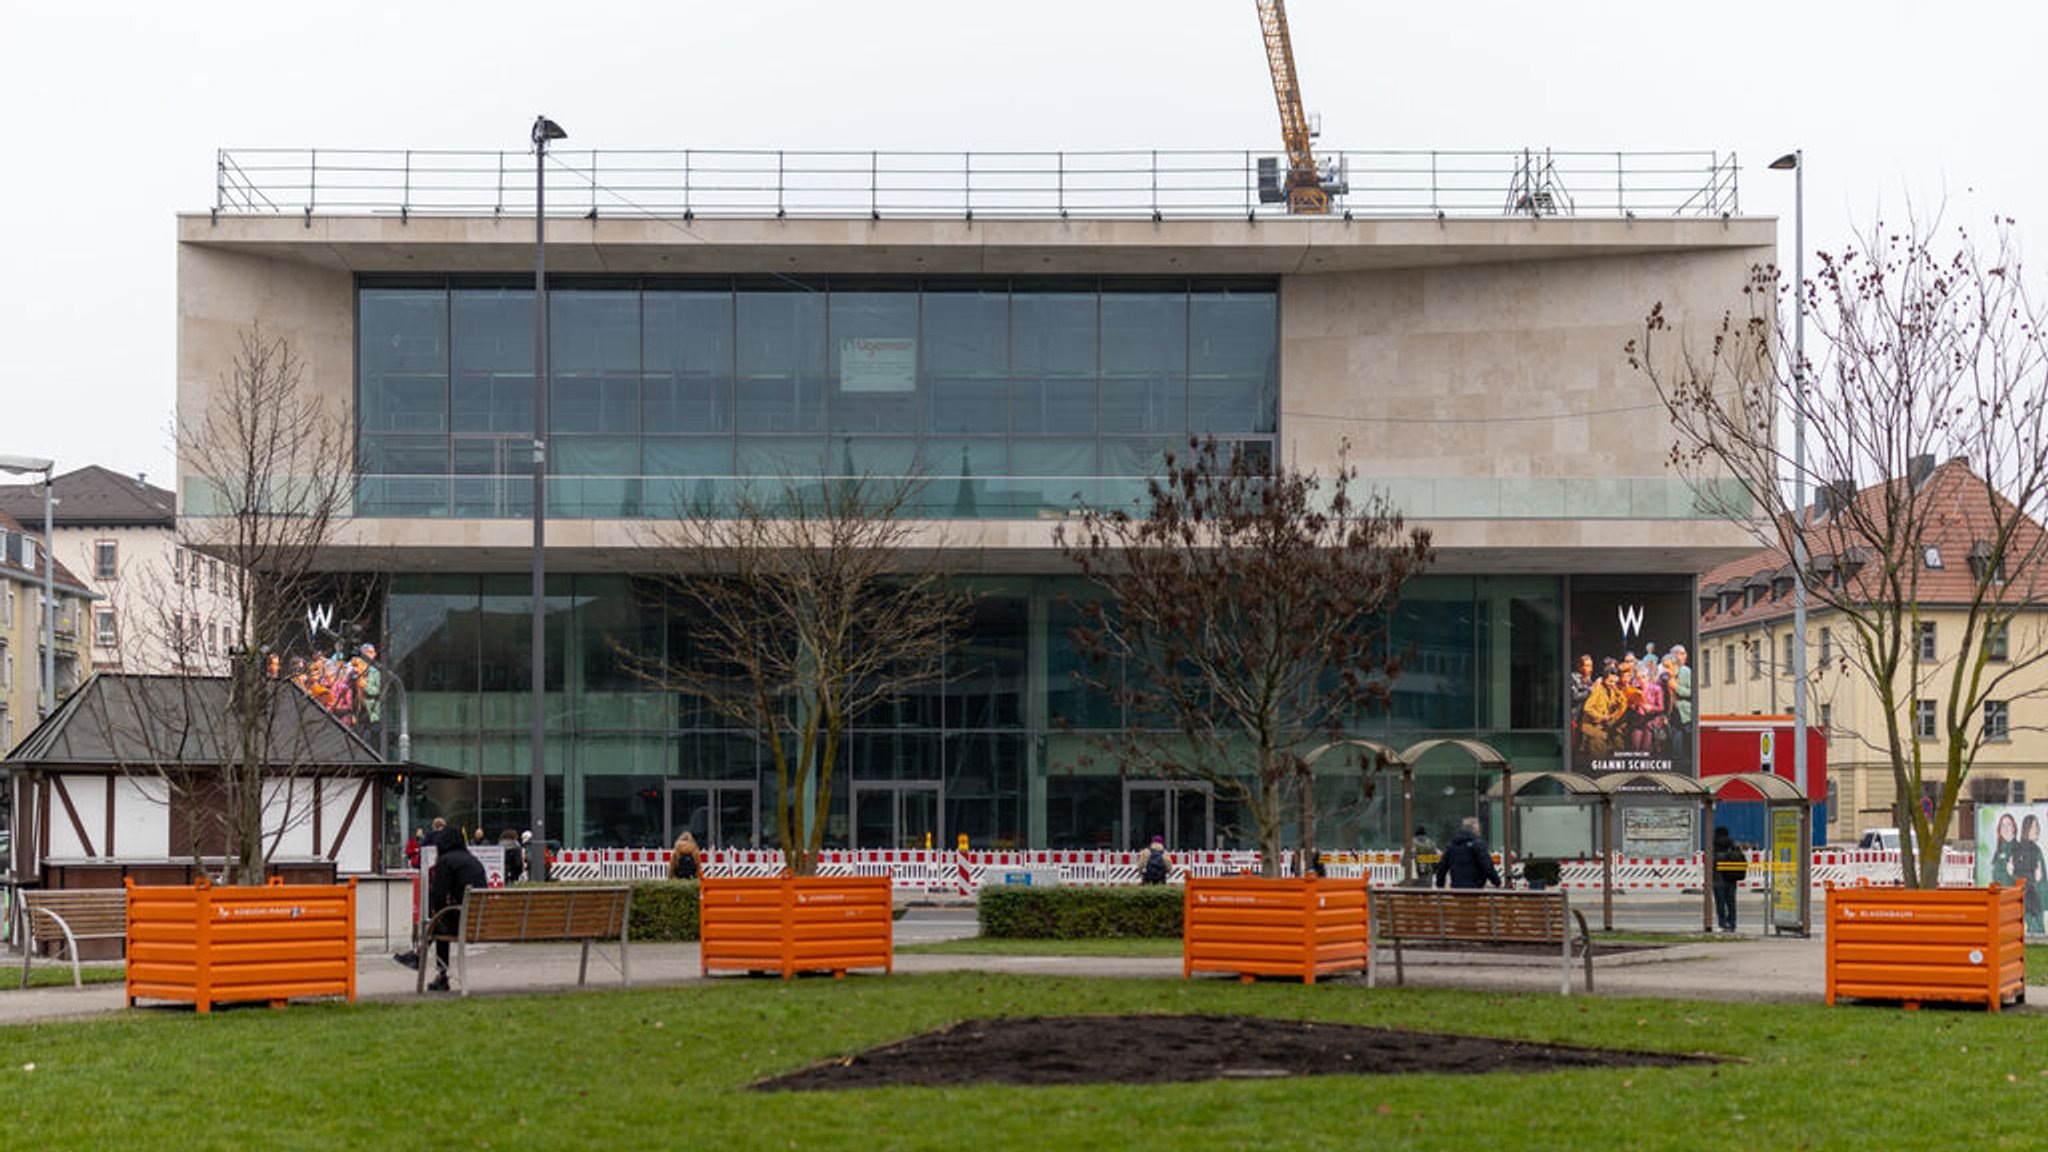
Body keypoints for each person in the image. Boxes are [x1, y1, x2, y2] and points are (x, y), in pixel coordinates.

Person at [423, 826, 486, 992]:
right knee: (443, 921)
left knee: (439, 923)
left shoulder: (445, 861)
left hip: (463, 923)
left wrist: (439, 913)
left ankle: (440, 974)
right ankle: (417, 954)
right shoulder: (473, 860)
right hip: (480, 922)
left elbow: (438, 897)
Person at [1433, 817, 1502, 890]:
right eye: (1478, 830)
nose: (1479, 832)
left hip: (1457, 889)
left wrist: (1440, 885)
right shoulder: (1478, 845)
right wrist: (1497, 882)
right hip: (1475, 888)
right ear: (1474, 830)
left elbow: (1442, 867)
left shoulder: (1452, 845)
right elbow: (1487, 866)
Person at [2014, 815, 2046, 935]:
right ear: (2026, 828)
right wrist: (2036, 880)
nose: (2037, 829)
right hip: (2030, 901)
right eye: (2033, 826)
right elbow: (2020, 876)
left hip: (2034, 900)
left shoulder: (2035, 849)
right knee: (2036, 929)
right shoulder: (2022, 849)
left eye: (2037, 826)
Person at [1711, 825, 1746, 932]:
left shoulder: (1714, 846)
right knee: (1731, 901)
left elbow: (1712, 863)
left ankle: (1722, 923)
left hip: (1718, 879)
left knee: (1720, 903)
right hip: (1731, 878)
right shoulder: (1732, 845)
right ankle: (1732, 923)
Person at [1989, 811, 2019, 887]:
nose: (2005, 828)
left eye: (2008, 825)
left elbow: (2027, 880)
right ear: (2000, 829)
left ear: (2013, 828)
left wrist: (2012, 873)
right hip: (1999, 895)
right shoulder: (1999, 849)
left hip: (2012, 896)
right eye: (2002, 825)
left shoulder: (2020, 849)